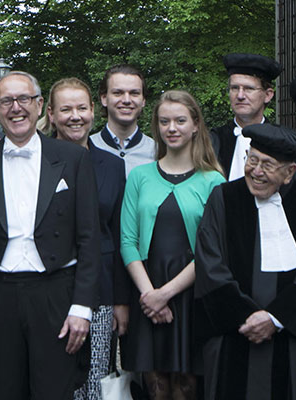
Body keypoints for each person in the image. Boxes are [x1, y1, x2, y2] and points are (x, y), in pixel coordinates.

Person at [0, 71, 99, 400]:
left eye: (24, 99)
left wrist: (82, 307)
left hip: (55, 295)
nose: (16, 108)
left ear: (39, 106)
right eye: (6, 101)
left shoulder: (74, 159)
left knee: (54, 392)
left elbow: (89, 238)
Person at [194, 123, 296, 399]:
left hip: (290, 337)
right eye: (252, 159)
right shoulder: (223, 198)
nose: (256, 171)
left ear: (289, 172)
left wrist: (275, 318)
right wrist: (246, 315)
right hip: (234, 331)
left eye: (268, 165)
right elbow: (209, 262)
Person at [118, 90, 225, 400]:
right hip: (146, 291)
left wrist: (166, 294)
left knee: (186, 386)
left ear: (195, 126)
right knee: (155, 388)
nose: (172, 128)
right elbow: (128, 241)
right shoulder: (140, 176)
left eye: (180, 121)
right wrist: (150, 295)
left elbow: (212, 250)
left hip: (190, 294)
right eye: (164, 121)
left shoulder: (213, 181)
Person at [44, 77, 133, 400]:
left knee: (95, 382)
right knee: (53, 380)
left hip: (101, 290)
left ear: (94, 109)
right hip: (47, 289)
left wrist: (121, 300)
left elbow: (121, 232)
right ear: (51, 114)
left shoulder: (111, 165)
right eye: (65, 109)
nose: (75, 116)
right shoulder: (34, 161)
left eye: (82, 108)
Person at [211, 53, 282, 180]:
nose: (240, 95)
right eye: (234, 88)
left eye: (248, 89)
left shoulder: (282, 141)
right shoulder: (212, 140)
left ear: (268, 95)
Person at [88, 64, 156, 175]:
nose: (126, 100)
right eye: (118, 93)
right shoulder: (88, 149)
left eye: (134, 93)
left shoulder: (158, 153)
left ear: (143, 100)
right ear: (104, 99)